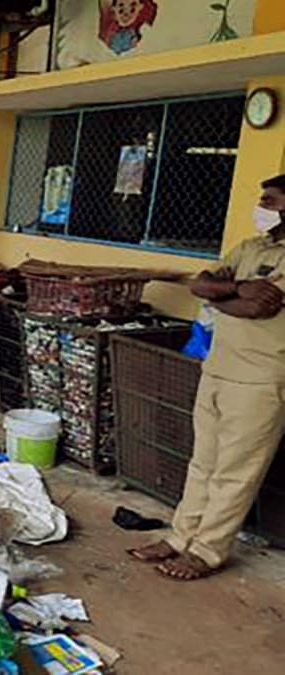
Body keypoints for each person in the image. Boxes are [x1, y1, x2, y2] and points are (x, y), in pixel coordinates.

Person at [129, 174, 285, 580]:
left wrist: (225, 296)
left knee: (236, 472)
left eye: (269, 200)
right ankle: (180, 538)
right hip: (218, 368)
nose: (262, 207)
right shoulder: (253, 247)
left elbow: (259, 309)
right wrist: (239, 289)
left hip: (262, 378)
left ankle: (208, 551)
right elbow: (201, 285)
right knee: (202, 463)